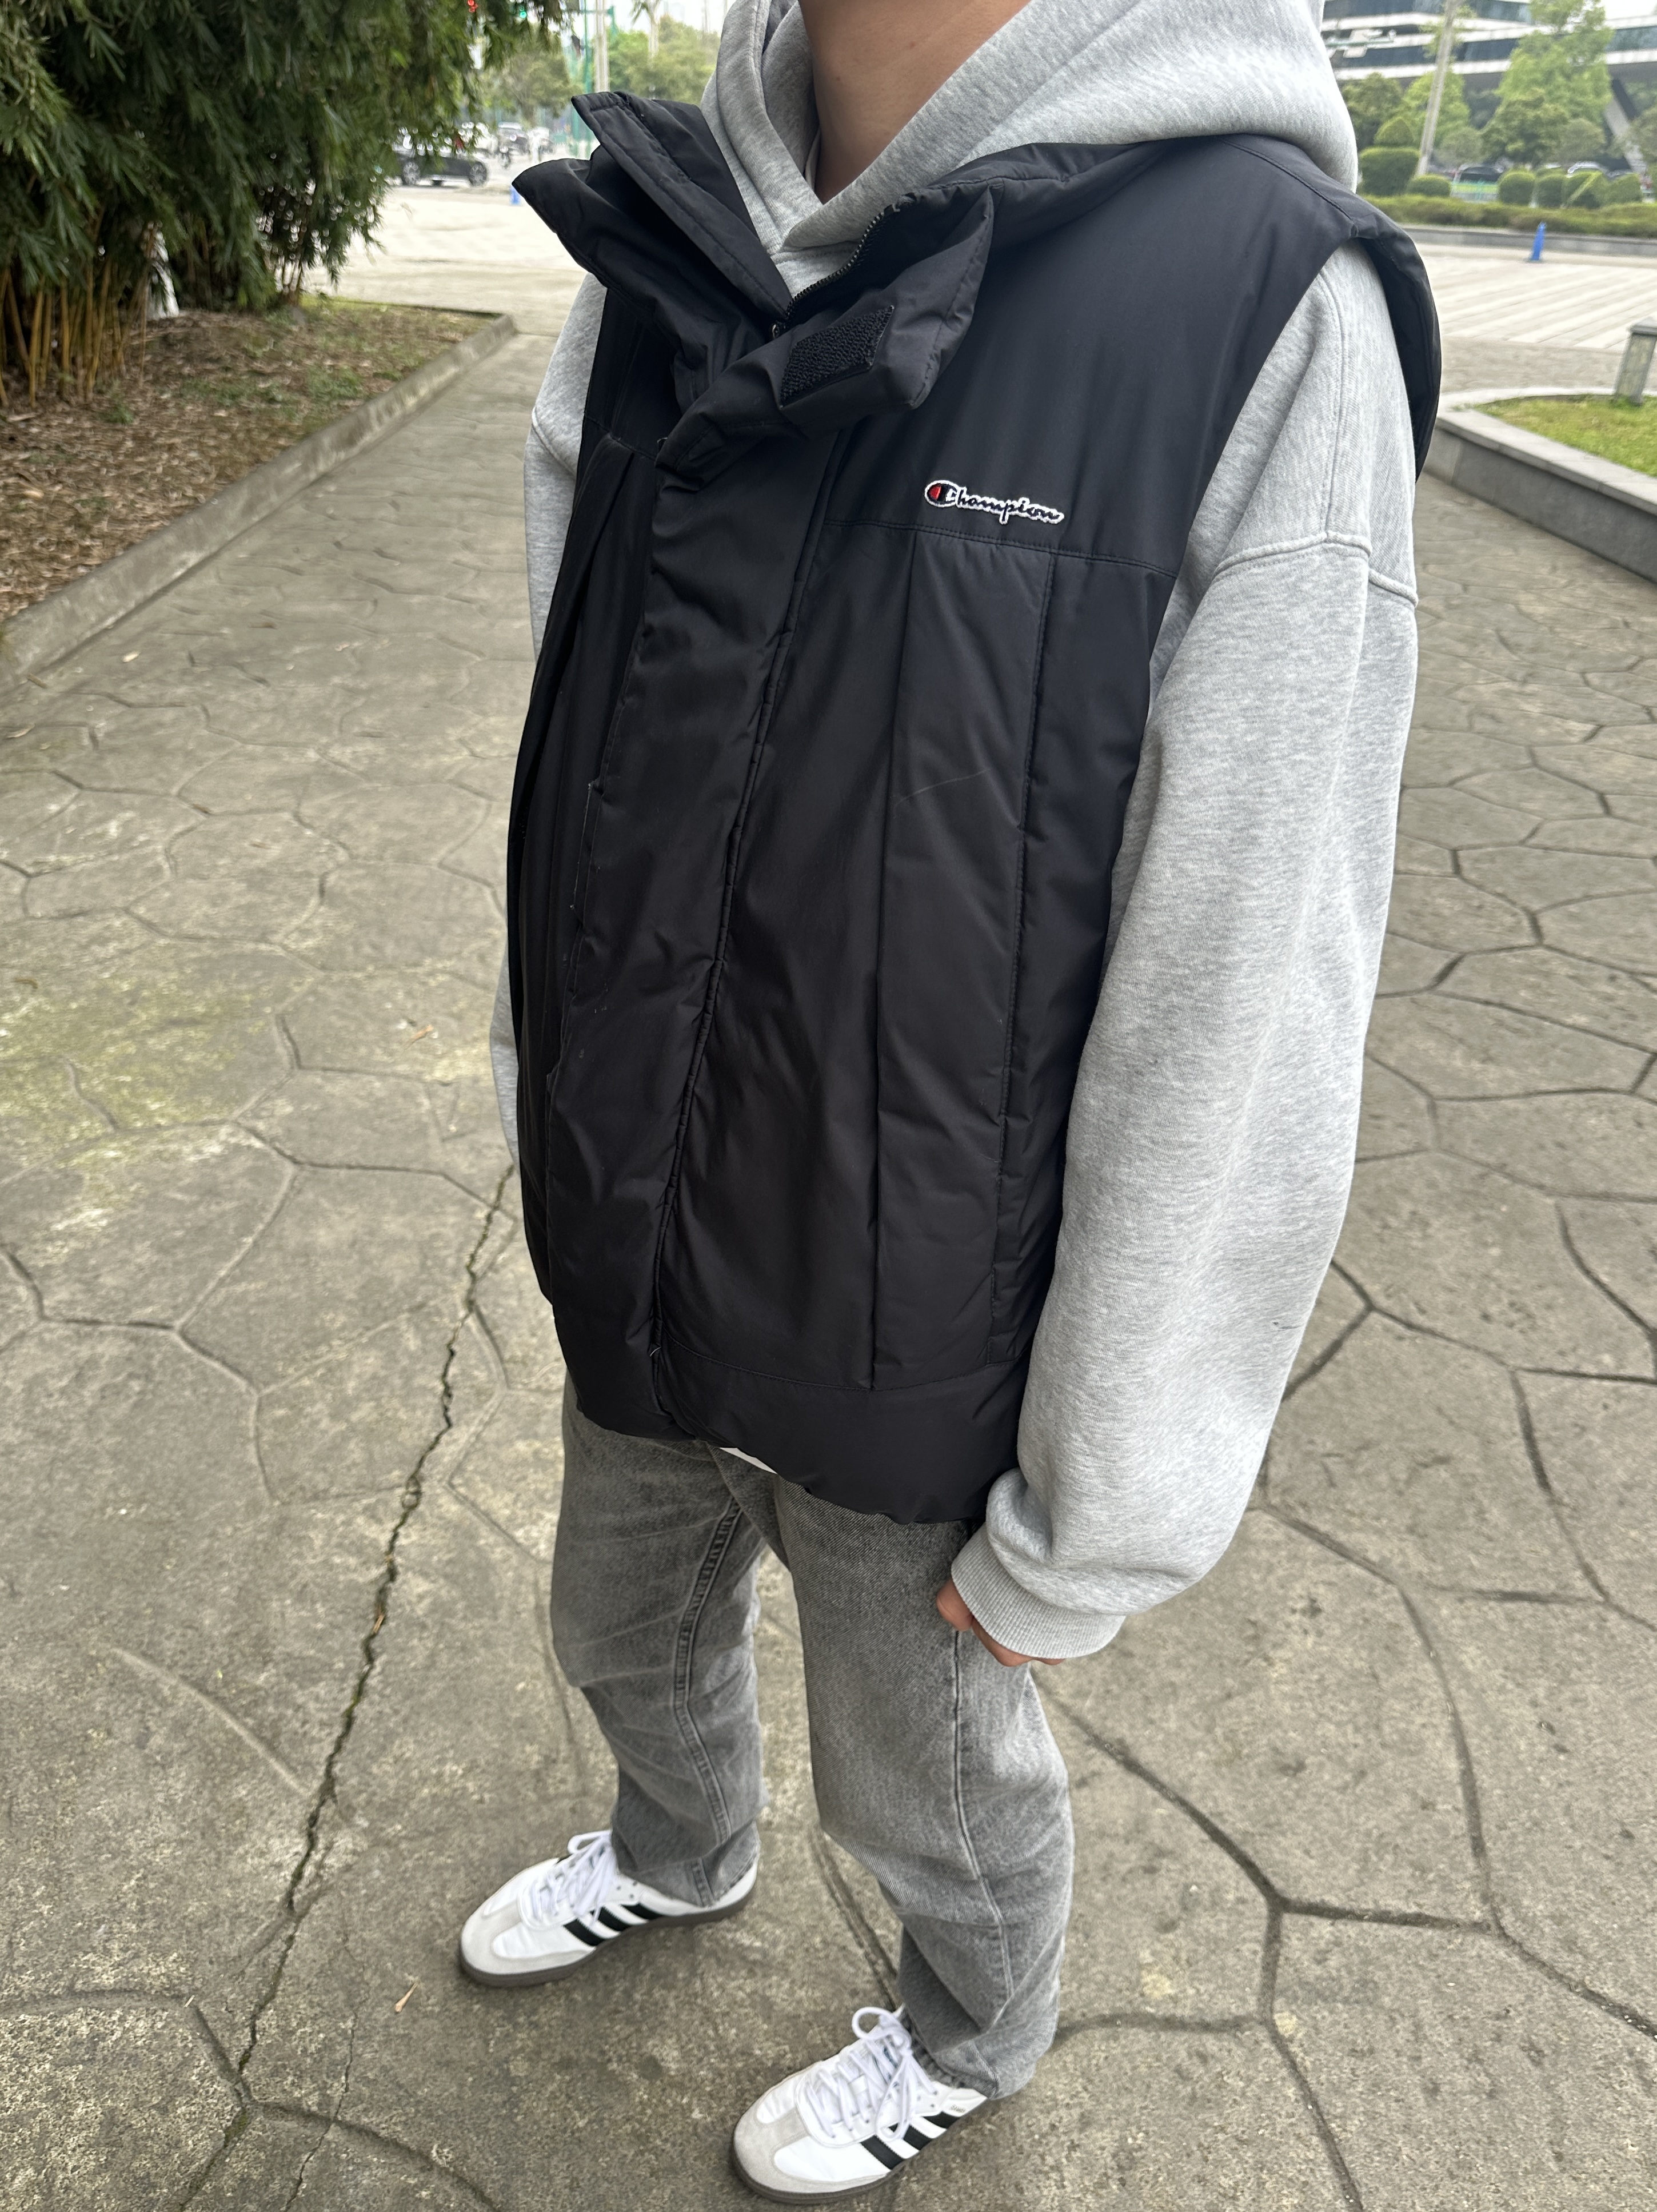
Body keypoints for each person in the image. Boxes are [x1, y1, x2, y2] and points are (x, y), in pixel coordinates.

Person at [471, 0, 1438, 2197]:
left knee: (923, 1774)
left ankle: (972, 2026)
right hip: (640, 1231)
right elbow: (570, 778)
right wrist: (559, 1141)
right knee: (613, 1626)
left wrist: (1104, 1496)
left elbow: (1251, 968)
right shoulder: (664, 245)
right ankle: (676, 1848)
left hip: (921, 1320)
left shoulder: (1254, 298)